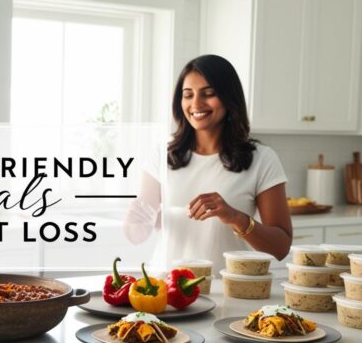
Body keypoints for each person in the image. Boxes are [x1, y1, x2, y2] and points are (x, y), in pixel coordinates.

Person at [125, 54, 292, 275]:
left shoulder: (262, 159)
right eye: (188, 95)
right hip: (167, 289)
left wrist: (235, 217)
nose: (196, 104)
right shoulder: (162, 155)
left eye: (209, 94)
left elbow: (280, 247)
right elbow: (135, 234)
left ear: (228, 98)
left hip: (231, 289)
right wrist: (137, 221)